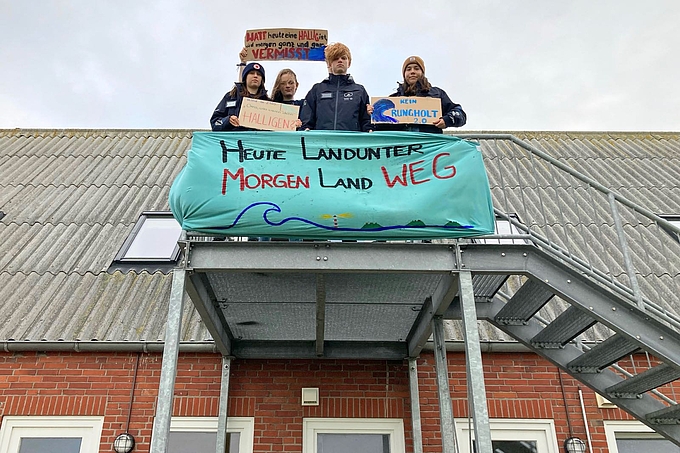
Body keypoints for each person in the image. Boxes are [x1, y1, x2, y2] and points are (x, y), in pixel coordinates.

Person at [375, 55, 466, 134]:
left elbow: (460, 114)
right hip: (402, 149)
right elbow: (379, 128)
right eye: (408, 69)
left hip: (430, 148)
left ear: (422, 72)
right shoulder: (393, 99)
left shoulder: (437, 94)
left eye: (416, 68)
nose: (412, 71)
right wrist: (373, 113)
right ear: (404, 74)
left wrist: (447, 120)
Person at [300, 42, 372, 132]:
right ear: (329, 64)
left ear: (349, 63)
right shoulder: (317, 89)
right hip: (322, 143)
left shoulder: (360, 91)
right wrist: (305, 129)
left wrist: (370, 126)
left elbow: (366, 122)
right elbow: (306, 121)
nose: (340, 60)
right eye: (336, 58)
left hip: (350, 143)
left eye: (343, 58)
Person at [210, 50, 268, 131]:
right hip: (233, 142)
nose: (255, 76)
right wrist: (228, 120)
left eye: (258, 74)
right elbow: (215, 122)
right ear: (245, 77)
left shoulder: (268, 103)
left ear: (262, 79)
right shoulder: (230, 97)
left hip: (256, 142)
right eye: (251, 73)